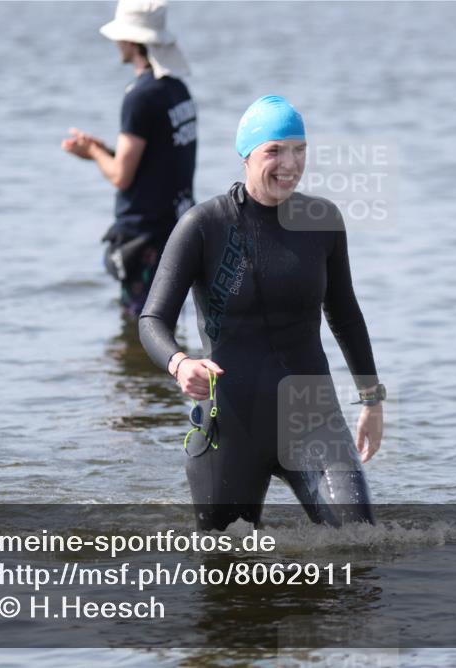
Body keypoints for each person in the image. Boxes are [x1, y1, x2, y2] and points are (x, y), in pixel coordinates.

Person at [139, 95, 386, 531]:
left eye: (299, 150)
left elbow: (345, 313)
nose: (289, 163)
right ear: (246, 155)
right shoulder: (204, 225)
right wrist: (180, 364)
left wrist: (371, 400)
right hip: (233, 421)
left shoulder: (321, 221)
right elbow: (152, 320)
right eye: (274, 150)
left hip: (313, 416)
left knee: (360, 543)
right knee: (225, 559)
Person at [62, 0, 196, 315]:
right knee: (168, 319)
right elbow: (158, 157)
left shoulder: (140, 97)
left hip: (145, 235)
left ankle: (136, 350)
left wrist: (93, 152)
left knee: (143, 323)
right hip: (176, 226)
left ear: (132, 41)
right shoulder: (177, 90)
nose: (115, 43)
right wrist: (104, 151)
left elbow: (122, 176)